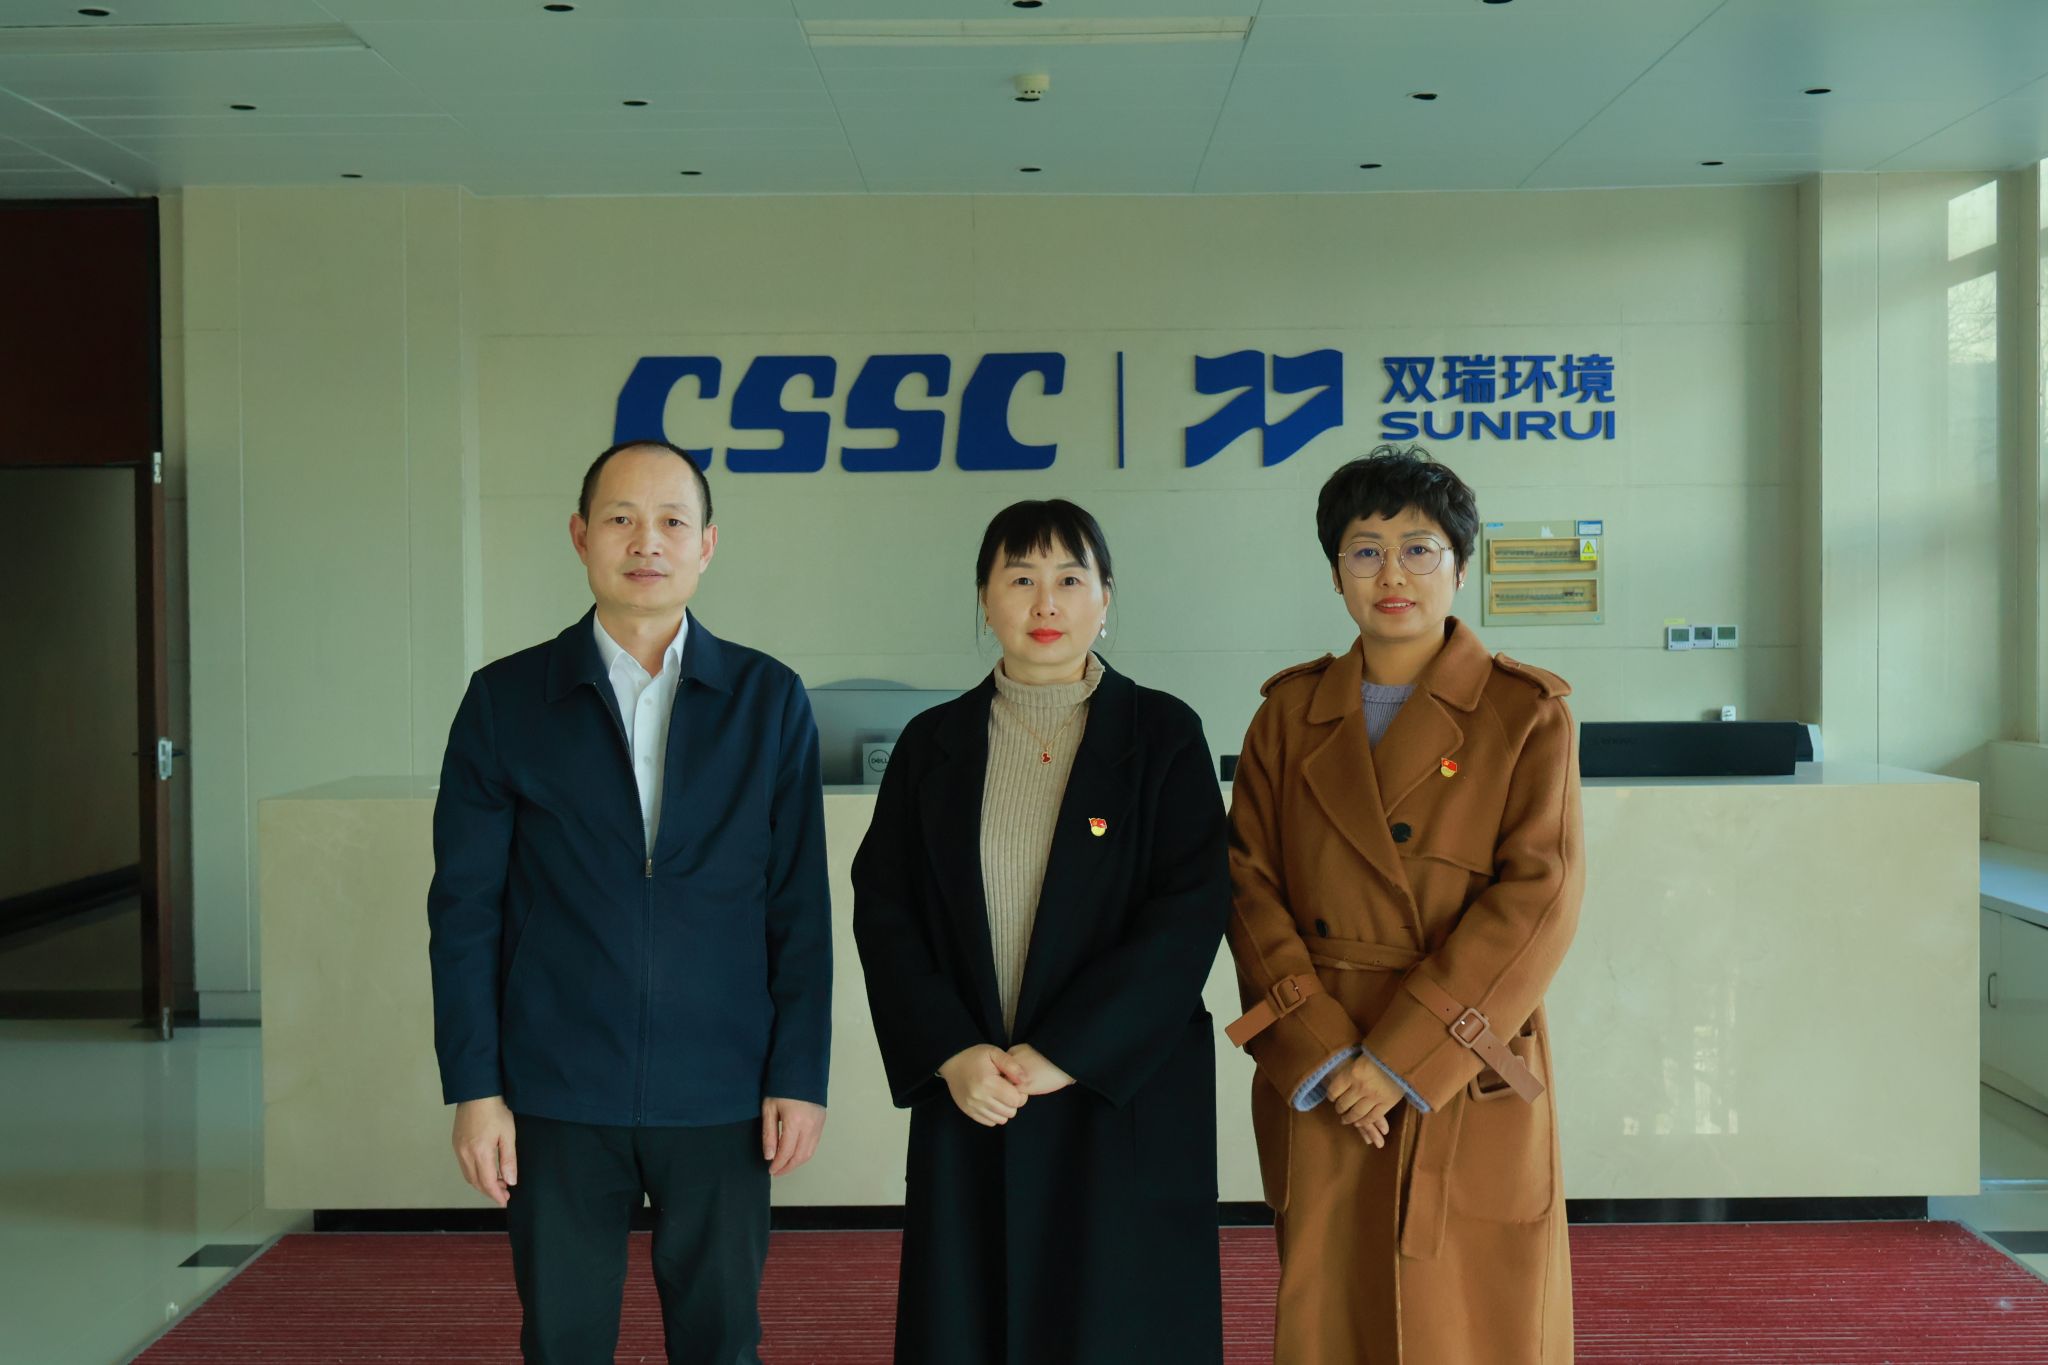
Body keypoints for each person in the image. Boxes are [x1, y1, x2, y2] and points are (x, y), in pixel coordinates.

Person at [427, 439, 831, 1365]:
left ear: (707, 544)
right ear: (580, 535)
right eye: (620, 519)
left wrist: (799, 1074)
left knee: (722, 1340)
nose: (646, 541)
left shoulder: (768, 700)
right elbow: (464, 911)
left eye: (671, 521)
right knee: (563, 1340)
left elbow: (798, 907)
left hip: (723, 1089)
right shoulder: (505, 701)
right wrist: (476, 1089)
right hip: (557, 1088)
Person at [851, 499, 1231, 1364]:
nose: (1046, 602)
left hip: (1116, 1088)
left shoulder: (1163, 733)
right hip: (977, 1086)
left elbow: (1189, 911)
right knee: (972, 1315)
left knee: (1115, 1321)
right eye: (1020, 578)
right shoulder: (932, 743)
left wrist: (1070, 1051)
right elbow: (886, 910)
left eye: (1069, 578)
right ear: (985, 599)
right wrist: (951, 1051)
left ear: (1106, 597)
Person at [1225, 445, 1583, 1364]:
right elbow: (1246, 885)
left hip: (1461, 1059)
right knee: (1331, 1310)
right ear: (1334, 572)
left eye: (1419, 549)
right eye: (1365, 550)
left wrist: (1401, 1058)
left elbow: (1538, 900)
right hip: (1328, 1059)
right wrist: (1327, 1048)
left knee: (1472, 1315)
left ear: (1459, 567)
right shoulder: (1285, 715)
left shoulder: (1526, 713)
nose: (1393, 574)